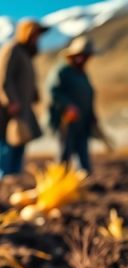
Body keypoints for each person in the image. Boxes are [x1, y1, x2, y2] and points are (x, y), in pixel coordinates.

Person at [0, 19, 48, 181]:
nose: (37, 39)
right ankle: (2, 181)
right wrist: (10, 101)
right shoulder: (11, 50)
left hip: (19, 110)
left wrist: (34, 94)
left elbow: (23, 80)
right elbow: (1, 78)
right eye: (34, 35)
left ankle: (14, 180)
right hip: (4, 110)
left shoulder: (24, 55)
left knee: (18, 142)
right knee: (5, 145)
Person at [47, 36, 110, 172]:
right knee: (65, 153)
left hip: (83, 122)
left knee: (82, 151)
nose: (85, 59)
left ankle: (84, 179)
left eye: (87, 56)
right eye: (82, 56)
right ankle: (60, 181)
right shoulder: (62, 71)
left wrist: (92, 115)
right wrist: (67, 106)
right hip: (65, 121)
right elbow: (53, 92)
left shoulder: (82, 74)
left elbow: (88, 96)